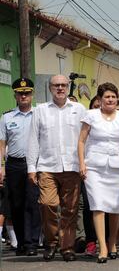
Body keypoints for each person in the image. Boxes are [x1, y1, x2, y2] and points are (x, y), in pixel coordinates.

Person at [27, 74, 86, 262]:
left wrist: (85, 164)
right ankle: (51, 242)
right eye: (56, 85)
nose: (60, 88)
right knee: (47, 204)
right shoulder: (40, 110)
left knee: (70, 209)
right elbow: (33, 140)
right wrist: (31, 167)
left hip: (72, 166)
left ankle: (67, 247)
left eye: (63, 85)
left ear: (68, 87)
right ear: (50, 88)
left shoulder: (79, 109)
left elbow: (85, 140)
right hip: (47, 166)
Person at [78, 82, 119, 263]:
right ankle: (102, 246)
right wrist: (82, 164)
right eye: (107, 97)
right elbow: (81, 141)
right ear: (100, 99)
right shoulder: (91, 115)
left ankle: (112, 242)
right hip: (94, 166)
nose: (110, 100)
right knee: (98, 205)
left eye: (113, 96)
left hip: (118, 167)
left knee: (115, 207)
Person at [0, 78, 41, 256]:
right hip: (14, 165)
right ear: (15, 95)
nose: (24, 96)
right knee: (16, 205)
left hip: (34, 164)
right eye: (20, 93)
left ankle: (32, 243)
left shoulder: (39, 114)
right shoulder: (7, 117)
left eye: (27, 93)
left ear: (32, 94)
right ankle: (22, 242)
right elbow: (2, 144)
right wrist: (1, 167)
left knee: (32, 203)